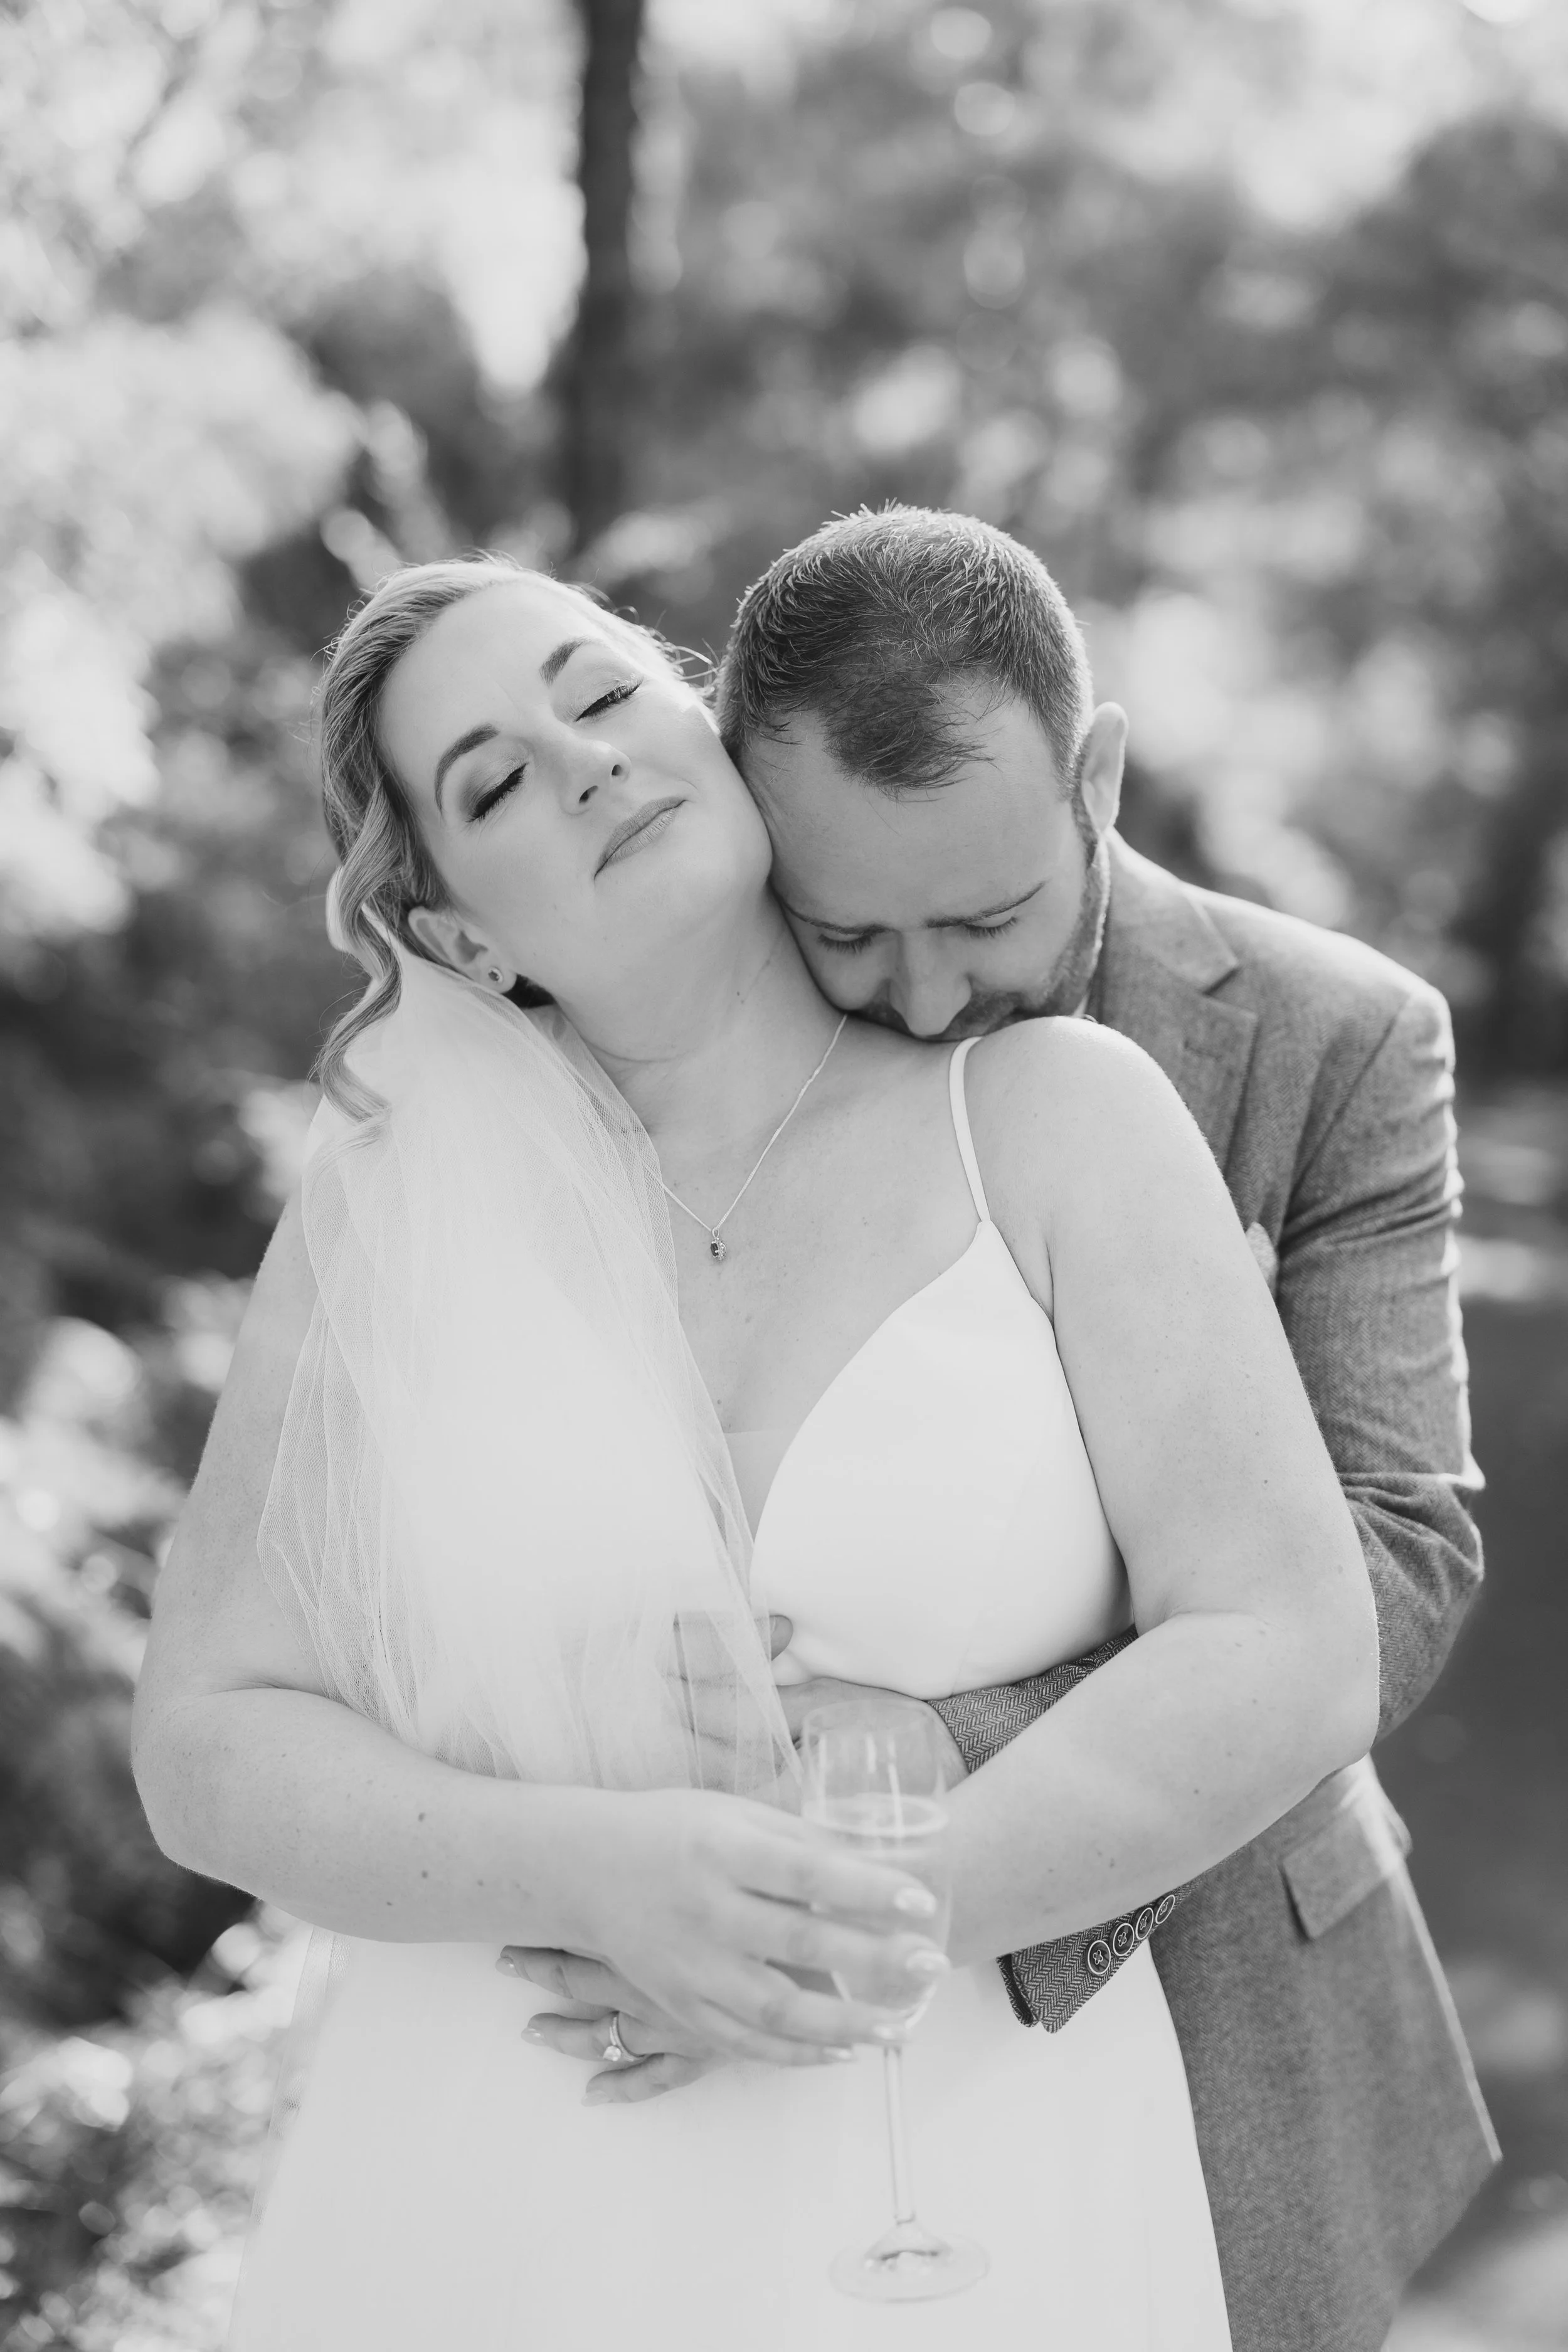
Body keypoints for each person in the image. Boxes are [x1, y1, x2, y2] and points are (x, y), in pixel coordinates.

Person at [132, 551, 1382, 2352]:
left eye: (597, 695)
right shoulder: (385, 1215)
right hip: (496, 2180)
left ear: (702, 728)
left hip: (964, 2172)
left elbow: (1287, 1635)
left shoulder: (1050, 1120)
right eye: (488, 781)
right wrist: (588, 1872)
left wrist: (862, 1916)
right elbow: (205, 1739)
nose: (576, 764)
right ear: (461, 931)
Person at [509, 507, 1499, 2352]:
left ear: (1096, 774)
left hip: (1231, 1970)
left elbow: (1396, 1552)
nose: (930, 994)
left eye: (985, 917)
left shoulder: (1334, 1041)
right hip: (739, 1993)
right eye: (849, 931)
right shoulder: (668, 1047)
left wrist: (915, 1753)